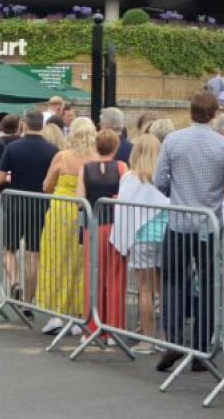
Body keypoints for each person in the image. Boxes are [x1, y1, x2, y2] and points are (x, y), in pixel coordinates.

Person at [153, 91, 224, 373]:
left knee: (173, 282)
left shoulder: (174, 140)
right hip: (209, 224)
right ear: (214, 113)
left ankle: (173, 340)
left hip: (178, 221)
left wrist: (176, 195)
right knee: (209, 284)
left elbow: (159, 178)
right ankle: (201, 347)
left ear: (191, 112)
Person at [0, 108, 58, 303]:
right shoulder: (53, 150)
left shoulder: (13, 148)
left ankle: (14, 282)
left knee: (8, 249)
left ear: (24, 125)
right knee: (33, 255)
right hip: (40, 205)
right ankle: (29, 301)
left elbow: (0, 177)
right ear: (42, 126)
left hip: (15, 203)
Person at [36, 116, 94, 336]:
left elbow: (47, 185)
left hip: (60, 211)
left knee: (55, 260)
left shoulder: (62, 156)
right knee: (79, 263)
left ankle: (56, 314)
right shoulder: (95, 158)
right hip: (83, 212)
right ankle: (78, 314)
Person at [113, 133, 170, 354]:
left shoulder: (129, 178)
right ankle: (168, 338)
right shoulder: (163, 177)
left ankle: (148, 339)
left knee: (144, 290)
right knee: (165, 289)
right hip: (165, 235)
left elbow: (124, 211)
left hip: (141, 237)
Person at [79, 128, 128, 335]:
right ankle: (113, 329)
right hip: (115, 226)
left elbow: (80, 201)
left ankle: (91, 326)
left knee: (93, 276)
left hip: (93, 226)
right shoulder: (121, 167)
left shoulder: (85, 168)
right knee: (116, 276)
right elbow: (126, 196)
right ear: (116, 146)